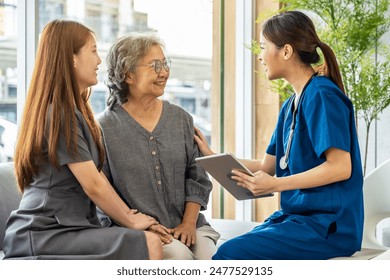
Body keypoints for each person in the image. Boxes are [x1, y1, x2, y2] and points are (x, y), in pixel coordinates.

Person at [194, 10, 364, 260]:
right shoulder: (289, 105)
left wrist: (277, 185)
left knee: (230, 255)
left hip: (328, 226)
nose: (260, 57)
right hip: (298, 219)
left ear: (286, 51)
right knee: (227, 250)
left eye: (264, 47)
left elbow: (340, 168)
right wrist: (211, 157)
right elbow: (267, 166)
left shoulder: (322, 95)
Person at [2, 20, 162, 260]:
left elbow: (96, 176)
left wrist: (130, 216)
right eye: (94, 51)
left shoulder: (75, 111)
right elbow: (93, 185)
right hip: (43, 232)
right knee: (150, 244)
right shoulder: (58, 113)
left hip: (69, 227)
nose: (99, 61)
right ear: (71, 58)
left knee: (148, 240)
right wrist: (131, 220)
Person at [97, 33, 220, 260]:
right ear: (128, 74)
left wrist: (188, 223)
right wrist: (141, 226)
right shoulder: (103, 128)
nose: (164, 72)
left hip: (190, 226)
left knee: (212, 259)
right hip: (139, 232)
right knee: (179, 257)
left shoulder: (180, 118)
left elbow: (197, 177)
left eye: (165, 64)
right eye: (155, 66)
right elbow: (101, 196)